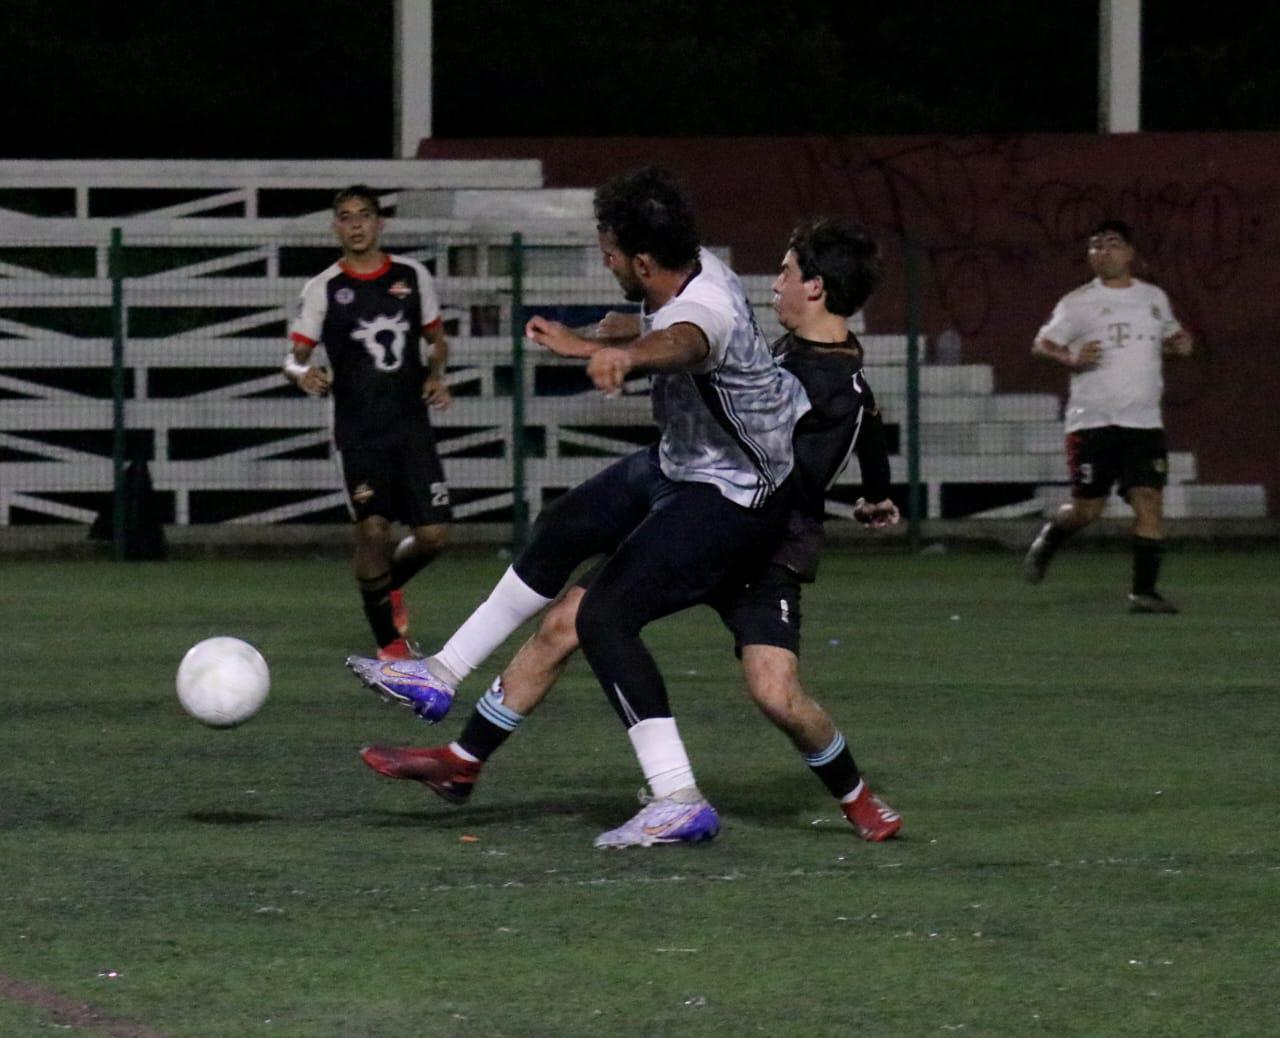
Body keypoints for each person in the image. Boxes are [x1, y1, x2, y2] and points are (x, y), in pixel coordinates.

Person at [356, 219, 904, 845]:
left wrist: (631, 351)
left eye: (785, 271)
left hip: (762, 545)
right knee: (566, 621)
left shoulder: (828, 378)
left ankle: (856, 799)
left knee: (775, 693)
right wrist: (877, 493)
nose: (773, 283)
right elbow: (867, 424)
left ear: (817, 288)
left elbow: (820, 443)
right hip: (715, 516)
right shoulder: (796, 353)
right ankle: (464, 760)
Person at [284, 184, 453, 659]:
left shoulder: (412, 276)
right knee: (374, 531)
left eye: (363, 215)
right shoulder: (324, 288)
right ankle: (388, 645)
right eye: (345, 216)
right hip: (359, 432)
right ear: (336, 226)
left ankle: (387, 585)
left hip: (411, 425)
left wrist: (438, 375)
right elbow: (294, 358)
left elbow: (437, 340)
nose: (355, 224)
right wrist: (303, 374)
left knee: (434, 537)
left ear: (381, 223)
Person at [1023, 219, 1193, 612]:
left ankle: (1143, 593)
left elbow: (1167, 339)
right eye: (1096, 245)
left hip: (1144, 422)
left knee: (1148, 499)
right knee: (1088, 510)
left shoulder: (1153, 298)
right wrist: (1069, 356)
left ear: (1130, 252)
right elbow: (1041, 344)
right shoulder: (1077, 302)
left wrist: (1178, 345)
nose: (1103, 252)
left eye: (1112, 244)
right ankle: (1051, 537)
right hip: (1093, 421)